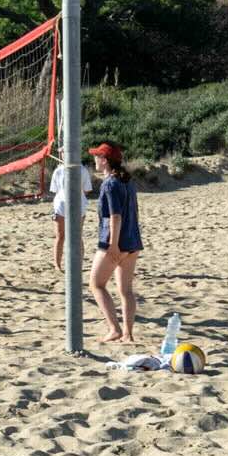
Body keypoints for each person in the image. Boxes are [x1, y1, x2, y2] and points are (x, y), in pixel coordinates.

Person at [89, 142, 142, 344]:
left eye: (96, 156)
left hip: (116, 242)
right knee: (126, 290)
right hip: (133, 241)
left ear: (104, 160)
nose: (93, 159)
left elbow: (115, 217)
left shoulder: (110, 183)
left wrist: (112, 245)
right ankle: (128, 334)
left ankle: (114, 329)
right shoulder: (127, 181)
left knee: (96, 284)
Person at [50, 159, 93, 271]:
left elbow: (86, 190)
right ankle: (57, 265)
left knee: (76, 236)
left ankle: (78, 266)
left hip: (78, 206)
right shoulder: (58, 170)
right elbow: (55, 190)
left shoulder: (83, 170)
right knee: (60, 235)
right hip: (61, 206)